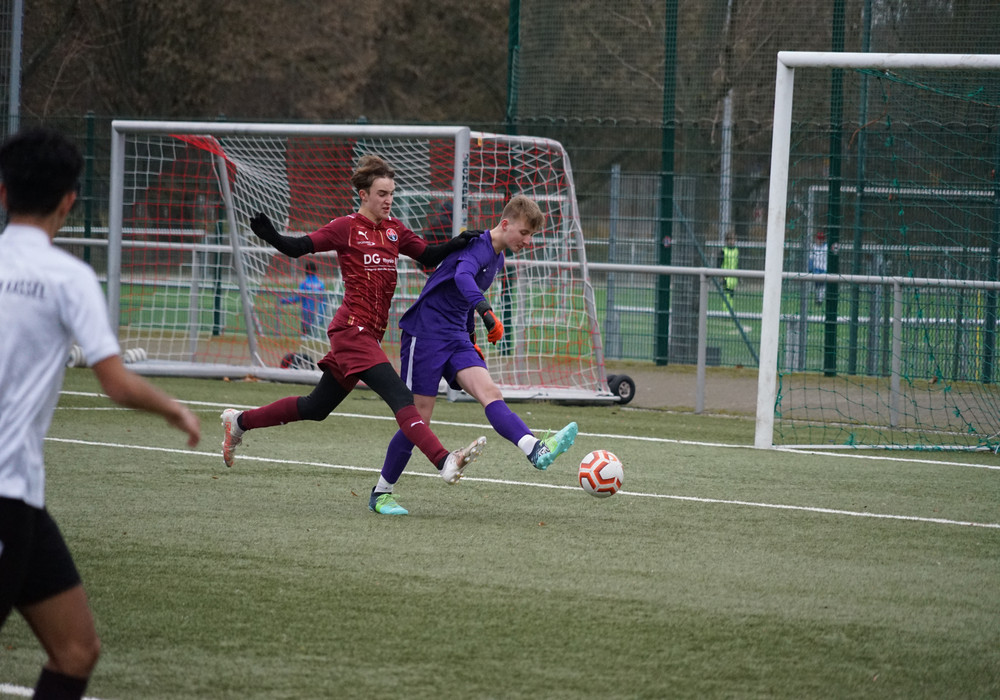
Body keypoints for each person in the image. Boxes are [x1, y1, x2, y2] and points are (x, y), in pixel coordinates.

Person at [0, 128, 201, 700]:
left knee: (76, 650)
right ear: (70, 200)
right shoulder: (69, 278)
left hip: (22, 499)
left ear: (3, 192)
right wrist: (174, 410)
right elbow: (114, 380)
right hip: (4, 494)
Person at [220, 154, 486, 483]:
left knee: (316, 407)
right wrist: (272, 236)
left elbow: (427, 255)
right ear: (364, 195)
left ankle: (240, 421)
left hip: (367, 335)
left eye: (391, 194)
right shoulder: (345, 228)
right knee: (403, 397)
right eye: (382, 194)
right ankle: (444, 460)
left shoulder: (394, 231)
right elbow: (300, 246)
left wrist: (457, 243)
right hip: (351, 331)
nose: (389, 200)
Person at [369, 195, 578, 515]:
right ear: (505, 224)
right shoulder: (478, 246)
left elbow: (463, 299)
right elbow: (461, 278)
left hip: (455, 336)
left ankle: (534, 449)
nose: (528, 241)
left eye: (532, 236)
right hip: (424, 333)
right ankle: (382, 492)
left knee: (490, 392)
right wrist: (487, 312)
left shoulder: (498, 257)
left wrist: (471, 337)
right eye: (524, 233)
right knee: (418, 418)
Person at [280, 259, 326, 337]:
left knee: (305, 336)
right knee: (315, 336)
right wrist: (321, 314)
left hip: (306, 313)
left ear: (306, 271)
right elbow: (323, 301)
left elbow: (297, 298)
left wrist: (283, 300)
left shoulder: (304, 284)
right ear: (316, 271)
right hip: (317, 313)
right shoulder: (321, 284)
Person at [717, 231, 739, 300]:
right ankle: (725, 310)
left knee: (731, 296)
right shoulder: (723, 251)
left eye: (734, 240)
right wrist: (721, 276)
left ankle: (729, 309)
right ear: (727, 241)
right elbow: (719, 264)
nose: (733, 241)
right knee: (726, 296)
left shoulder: (736, 250)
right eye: (731, 240)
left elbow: (737, 263)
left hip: (734, 278)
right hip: (726, 277)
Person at [808, 230, 828, 304]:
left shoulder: (826, 247)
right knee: (817, 285)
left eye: (821, 239)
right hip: (816, 268)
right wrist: (810, 268)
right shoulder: (813, 247)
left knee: (822, 285)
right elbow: (811, 258)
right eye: (819, 239)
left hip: (824, 268)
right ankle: (818, 298)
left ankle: (820, 299)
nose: (820, 241)